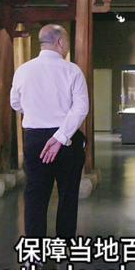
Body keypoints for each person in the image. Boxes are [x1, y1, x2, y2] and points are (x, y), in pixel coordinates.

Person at [10, 24, 89, 249]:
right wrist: (60, 137)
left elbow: (15, 103)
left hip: (35, 139)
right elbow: (81, 108)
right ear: (60, 42)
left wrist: (36, 112)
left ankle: (34, 252)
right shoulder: (72, 70)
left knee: (35, 195)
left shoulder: (23, 70)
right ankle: (64, 245)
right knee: (68, 195)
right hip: (67, 140)